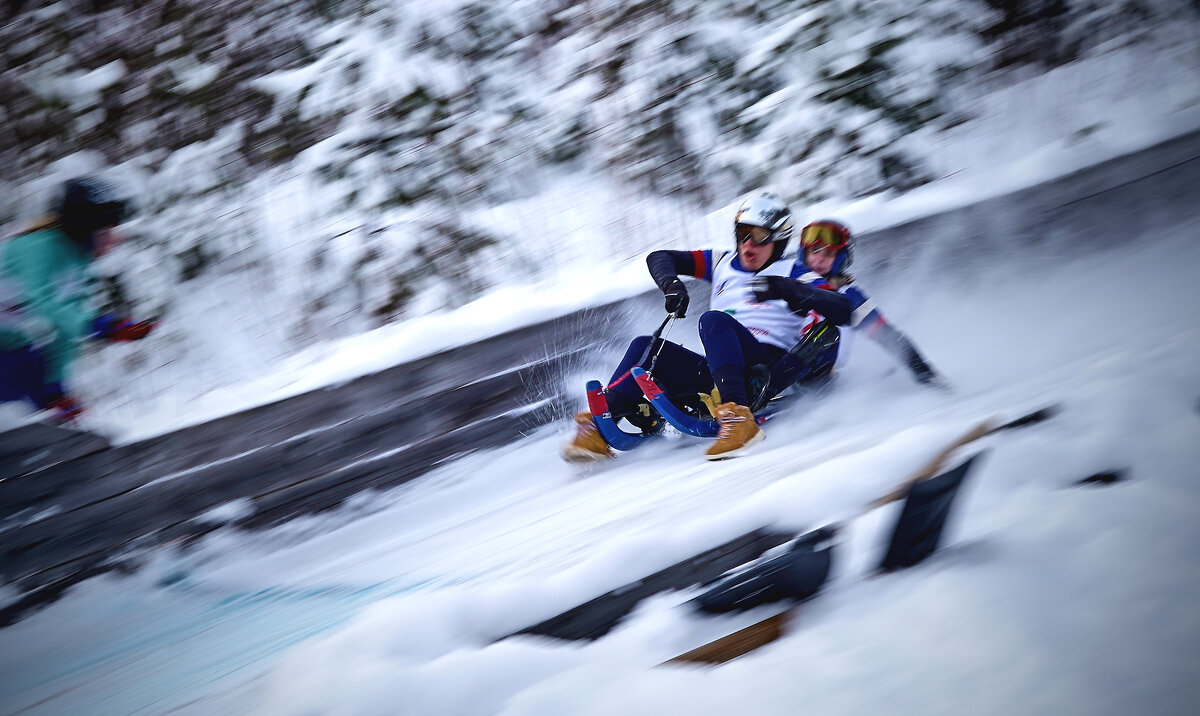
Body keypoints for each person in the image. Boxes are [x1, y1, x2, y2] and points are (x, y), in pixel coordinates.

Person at [562, 193, 941, 463]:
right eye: (743, 233)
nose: (748, 244)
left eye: (759, 238)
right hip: (722, 367)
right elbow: (660, 257)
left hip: (767, 365)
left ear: (778, 241)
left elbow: (843, 310)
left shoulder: (802, 272)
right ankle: (598, 424)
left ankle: (739, 419)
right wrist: (672, 285)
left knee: (713, 321)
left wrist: (787, 289)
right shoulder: (722, 262)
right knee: (647, 346)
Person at [0, 177, 155, 424]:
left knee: (50, 413)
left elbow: (68, 323)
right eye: (104, 232)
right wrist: (99, 325)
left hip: (11, 343)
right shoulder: (35, 247)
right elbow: (45, 303)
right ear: (83, 227)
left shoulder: (78, 260)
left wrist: (55, 386)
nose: (112, 240)